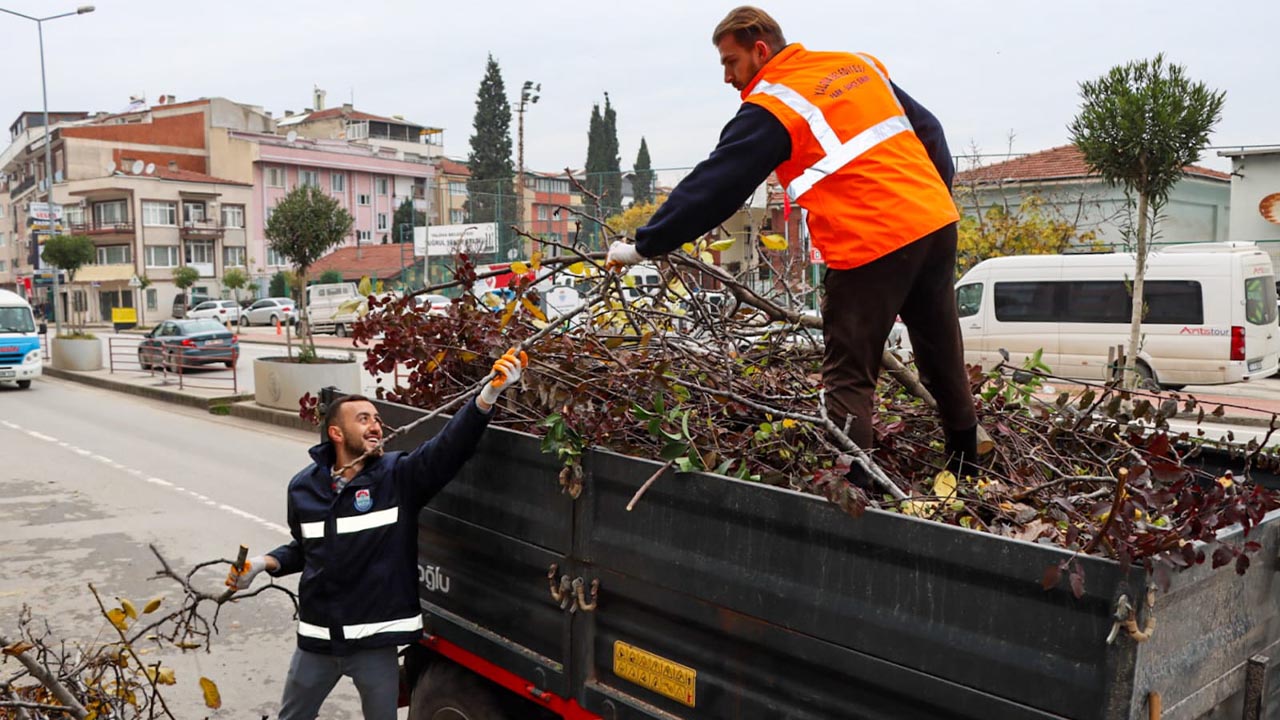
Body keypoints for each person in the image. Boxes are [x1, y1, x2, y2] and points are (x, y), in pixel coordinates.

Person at [606, 6, 978, 480]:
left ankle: (856, 493)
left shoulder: (775, 102)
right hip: (933, 220)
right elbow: (930, 130)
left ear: (760, 50)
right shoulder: (855, 65)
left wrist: (644, 245)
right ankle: (969, 469)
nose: (727, 76)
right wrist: (929, 200)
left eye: (730, 62)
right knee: (940, 345)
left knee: (848, 372)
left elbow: (717, 183)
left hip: (869, 239)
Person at [225, 348, 528, 720]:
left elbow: (449, 449)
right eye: (363, 418)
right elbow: (306, 550)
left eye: (377, 419)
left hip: (374, 645)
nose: (375, 426)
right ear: (336, 432)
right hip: (317, 642)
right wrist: (262, 563)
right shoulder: (302, 488)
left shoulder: (397, 478)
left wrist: (488, 396)